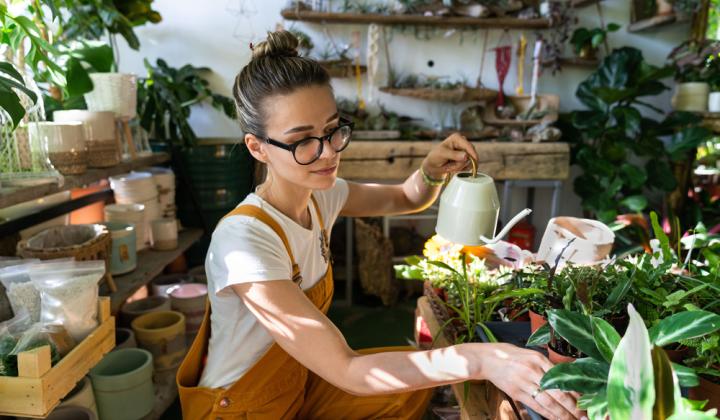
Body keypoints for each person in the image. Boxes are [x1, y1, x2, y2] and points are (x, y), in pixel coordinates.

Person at [176, 30, 585, 420]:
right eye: (303, 141)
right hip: (243, 406)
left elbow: (407, 197)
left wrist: (431, 170)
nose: (327, 153)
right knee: (404, 374)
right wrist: (481, 358)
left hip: (299, 382)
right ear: (257, 147)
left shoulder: (322, 196)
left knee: (411, 386)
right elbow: (349, 370)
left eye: (333, 130)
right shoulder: (244, 241)